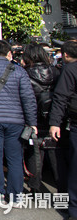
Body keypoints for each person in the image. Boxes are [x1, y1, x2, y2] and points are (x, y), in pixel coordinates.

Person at [0, 40, 37, 206]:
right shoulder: (19, 71)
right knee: (15, 158)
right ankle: (15, 195)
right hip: (16, 120)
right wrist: (31, 122)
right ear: (9, 53)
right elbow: (28, 98)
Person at [22, 43, 61, 193]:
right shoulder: (56, 71)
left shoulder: (24, 73)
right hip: (54, 118)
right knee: (56, 154)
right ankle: (62, 189)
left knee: (34, 154)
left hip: (33, 118)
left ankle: (35, 188)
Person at [49, 40, 77, 220]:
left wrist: (54, 123)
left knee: (74, 169)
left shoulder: (69, 70)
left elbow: (60, 97)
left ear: (65, 55)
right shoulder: (70, 69)